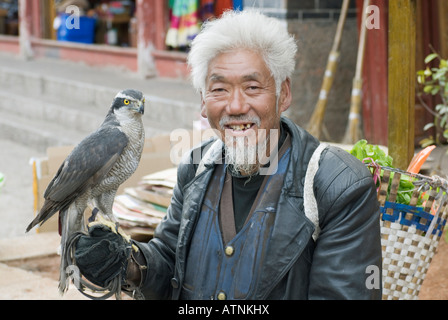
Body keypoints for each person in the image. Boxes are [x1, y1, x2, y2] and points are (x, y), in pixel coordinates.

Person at [75, 10, 382, 300]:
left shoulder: (337, 185)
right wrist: (128, 263)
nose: (235, 107)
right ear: (203, 102)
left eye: (252, 87)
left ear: (284, 94)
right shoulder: (195, 169)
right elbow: (170, 263)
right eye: (219, 90)